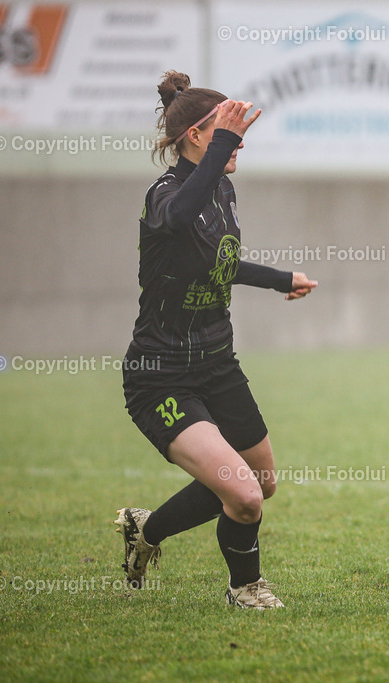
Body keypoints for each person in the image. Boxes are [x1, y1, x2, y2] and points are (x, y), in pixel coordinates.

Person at [115, 71, 317, 609]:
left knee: (260, 483)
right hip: (161, 377)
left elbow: (217, 261)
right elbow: (181, 220)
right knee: (244, 495)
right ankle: (244, 589)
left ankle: (147, 529)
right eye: (226, 130)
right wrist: (221, 144)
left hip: (217, 363)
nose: (239, 141)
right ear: (198, 137)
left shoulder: (221, 187)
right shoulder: (164, 196)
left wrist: (280, 280)